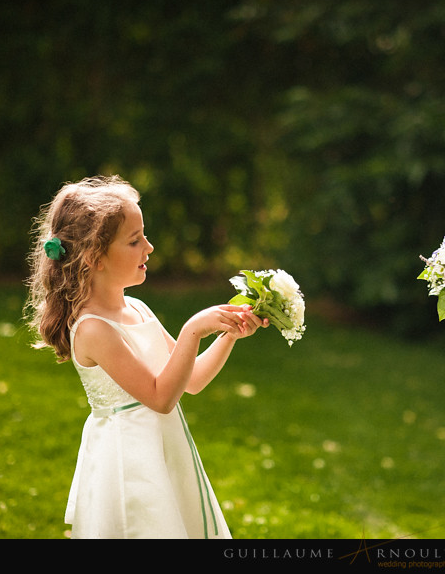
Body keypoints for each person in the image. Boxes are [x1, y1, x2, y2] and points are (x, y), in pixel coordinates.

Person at [24, 175, 267, 539]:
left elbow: (193, 380)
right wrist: (192, 330)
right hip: (131, 464)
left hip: (165, 450)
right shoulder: (93, 329)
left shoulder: (137, 308)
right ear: (95, 258)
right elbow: (159, 397)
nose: (149, 248)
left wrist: (229, 334)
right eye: (135, 240)